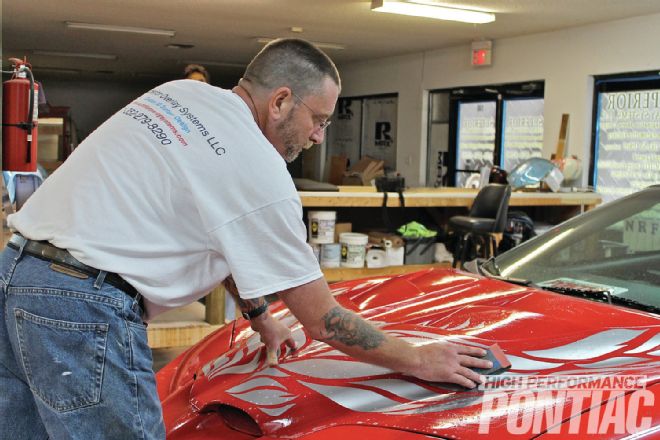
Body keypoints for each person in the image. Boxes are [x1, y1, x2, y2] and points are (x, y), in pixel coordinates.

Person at [0, 39, 491, 439]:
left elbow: (225, 239)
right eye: (318, 120)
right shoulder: (259, 171)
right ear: (280, 101)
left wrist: (259, 316)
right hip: (78, 307)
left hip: (16, 273)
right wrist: (420, 356)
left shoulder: (181, 95)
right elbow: (325, 320)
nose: (320, 137)